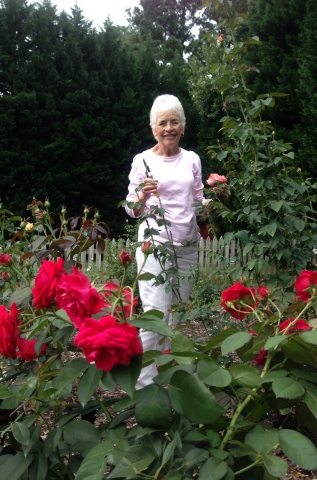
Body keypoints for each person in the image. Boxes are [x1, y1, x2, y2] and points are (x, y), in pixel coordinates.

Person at [125, 94, 208, 389]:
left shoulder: (192, 159)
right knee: (155, 315)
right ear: (153, 128)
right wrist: (144, 195)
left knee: (177, 316)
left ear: (183, 127)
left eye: (175, 122)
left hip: (187, 245)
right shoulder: (143, 160)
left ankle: (171, 380)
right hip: (154, 245)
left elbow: (198, 199)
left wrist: (214, 201)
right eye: (163, 123)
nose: (169, 128)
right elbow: (131, 209)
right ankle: (145, 388)